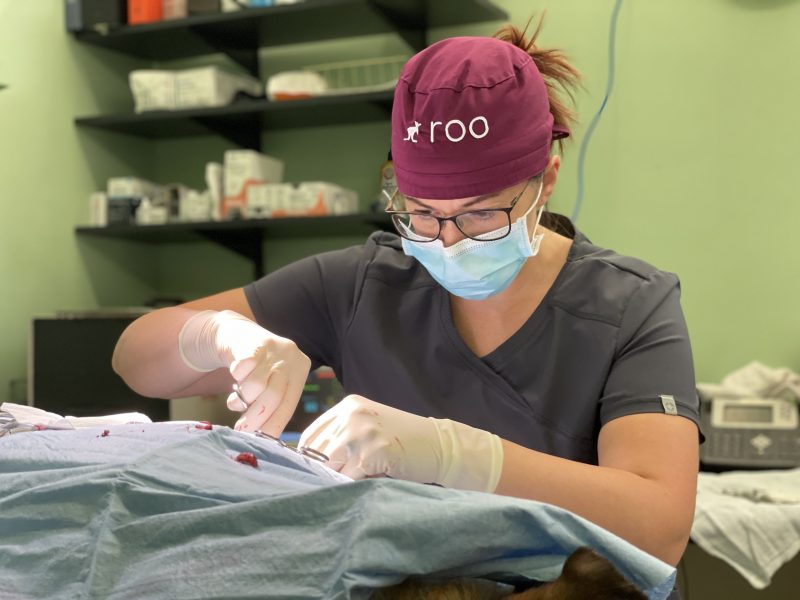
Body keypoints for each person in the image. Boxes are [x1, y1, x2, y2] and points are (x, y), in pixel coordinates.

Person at [113, 19, 701, 573]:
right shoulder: (365, 282)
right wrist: (219, 337)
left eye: (480, 215)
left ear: (545, 180)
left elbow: (660, 526)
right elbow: (136, 359)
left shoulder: (630, 304)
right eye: (421, 213)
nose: (446, 241)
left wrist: (454, 454)